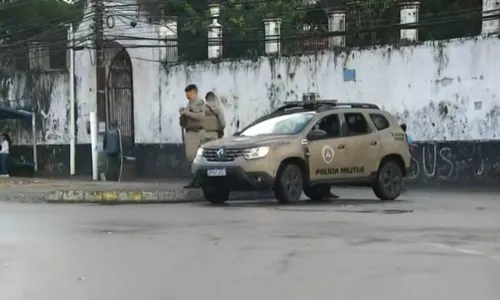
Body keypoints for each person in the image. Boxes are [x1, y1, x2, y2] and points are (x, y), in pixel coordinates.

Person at [179, 84, 205, 189]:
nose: (186, 94)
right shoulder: (190, 103)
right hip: (190, 132)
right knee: (191, 157)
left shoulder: (199, 102)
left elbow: (200, 116)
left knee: (194, 156)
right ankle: (195, 178)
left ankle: (197, 179)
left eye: (188, 92)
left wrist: (187, 113)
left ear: (193, 92)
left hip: (196, 133)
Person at [400, 123, 414, 192]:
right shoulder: (406, 136)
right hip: (404, 154)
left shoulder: (396, 135)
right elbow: (411, 147)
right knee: (403, 171)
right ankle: (401, 187)